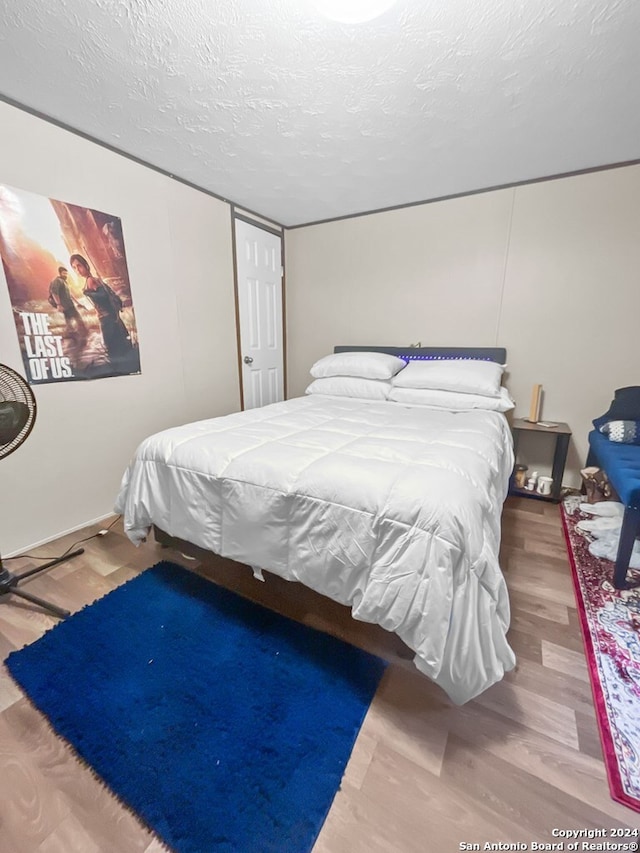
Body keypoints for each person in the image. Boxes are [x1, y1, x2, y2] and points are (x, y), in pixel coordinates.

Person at [69, 253, 137, 370]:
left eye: (79, 266)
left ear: (86, 265)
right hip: (109, 318)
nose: (77, 270)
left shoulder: (90, 280)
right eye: (74, 268)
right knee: (120, 347)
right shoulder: (92, 279)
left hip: (106, 320)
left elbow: (102, 296)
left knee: (112, 349)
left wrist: (88, 293)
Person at [48, 266, 87, 340]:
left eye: (66, 273)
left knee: (69, 320)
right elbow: (54, 292)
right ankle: (82, 334)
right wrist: (59, 305)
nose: (65, 275)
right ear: (60, 273)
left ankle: (70, 334)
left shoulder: (64, 282)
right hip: (65, 306)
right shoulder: (57, 281)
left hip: (69, 304)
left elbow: (70, 294)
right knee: (78, 319)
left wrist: (77, 303)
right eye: (64, 273)